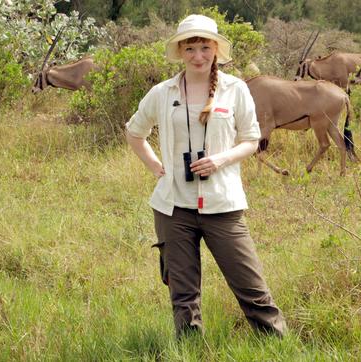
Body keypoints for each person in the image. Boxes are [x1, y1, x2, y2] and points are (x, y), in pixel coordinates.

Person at [125, 14, 287, 338]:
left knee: (251, 287)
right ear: (181, 52)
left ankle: (277, 345)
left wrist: (219, 160)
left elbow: (251, 141)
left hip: (222, 204)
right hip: (174, 208)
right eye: (190, 49)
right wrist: (157, 167)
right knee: (183, 296)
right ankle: (188, 351)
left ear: (215, 49)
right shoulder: (162, 92)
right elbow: (134, 132)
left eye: (204, 48)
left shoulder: (235, 89)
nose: (198, 56)